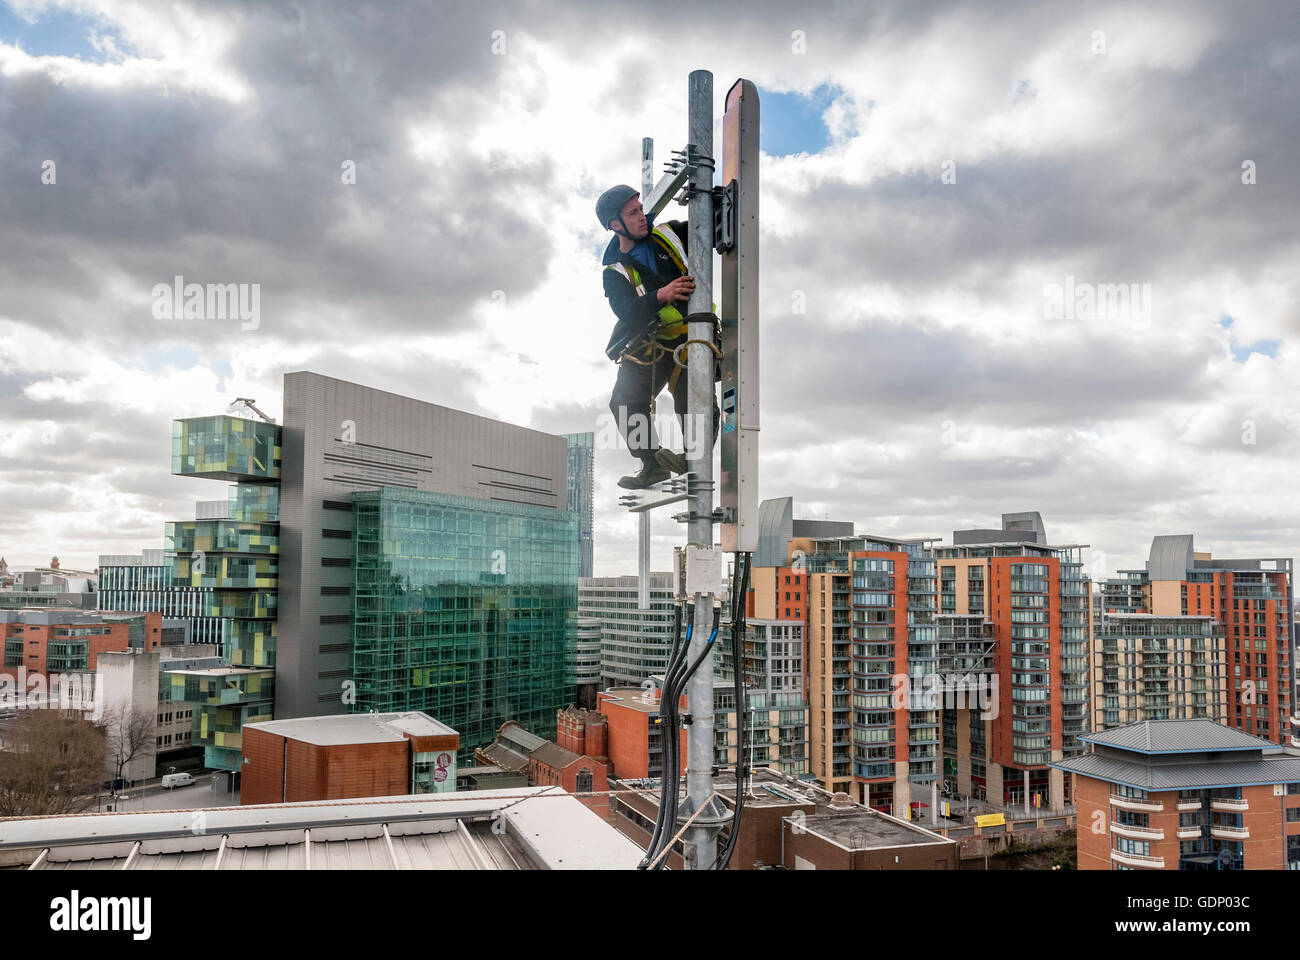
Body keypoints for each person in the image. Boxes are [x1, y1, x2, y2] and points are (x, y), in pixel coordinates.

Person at [596, 184, 718, 489]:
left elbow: (713, 222)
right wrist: (661, 295)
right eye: (632, 213)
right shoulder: (615, 271)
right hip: (653, 342)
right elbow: (627, 311)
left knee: (694, 401)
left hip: (695, 335)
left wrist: (709, 195)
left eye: (640, 209)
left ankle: (693, 458)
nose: (642, 216)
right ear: (615, 225)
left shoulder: (671, 235)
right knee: (625, 401)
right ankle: (652, 465)